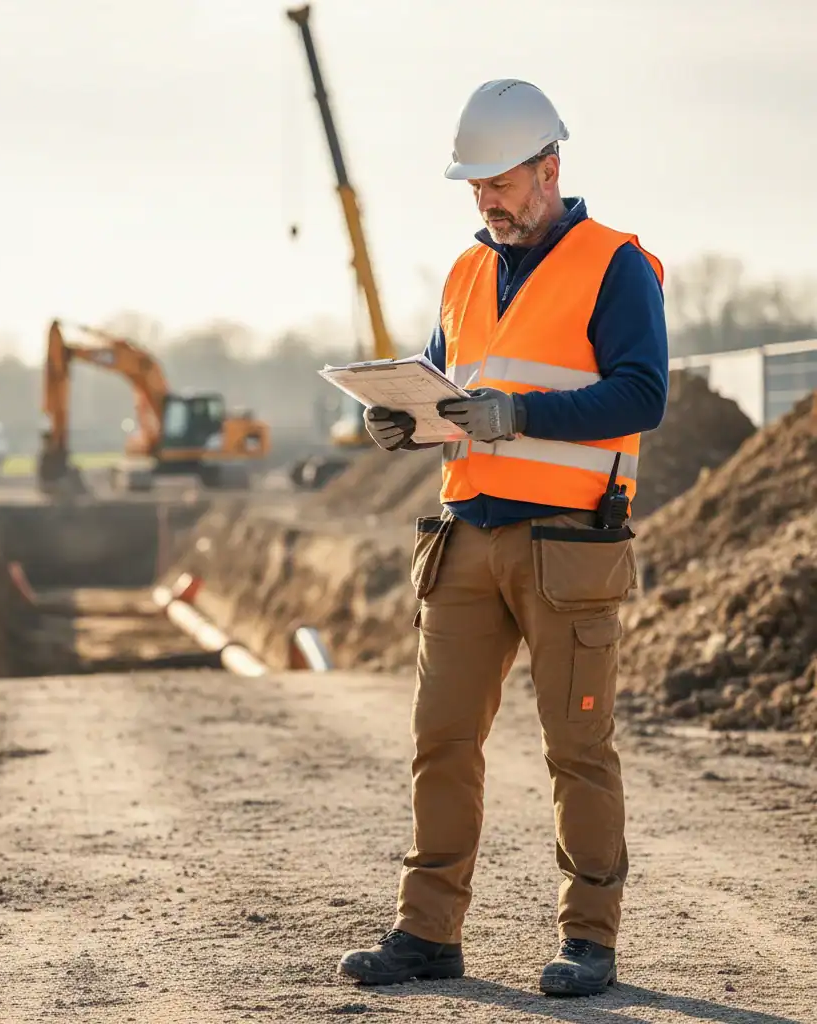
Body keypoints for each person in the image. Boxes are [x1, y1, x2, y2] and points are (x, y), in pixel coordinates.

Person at [338, 79, 667, 997]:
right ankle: (427, 932)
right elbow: (448, 394)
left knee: (578, 748)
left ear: (549, 167)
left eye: (503, 182)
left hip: (568, 549)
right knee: (440, 739)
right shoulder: (463, 271)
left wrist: (514, 413)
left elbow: (643, 394)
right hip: (465, 540)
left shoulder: (616, 266)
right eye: (475, 185)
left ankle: (590, 942)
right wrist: (407, 422)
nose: (488, 200)